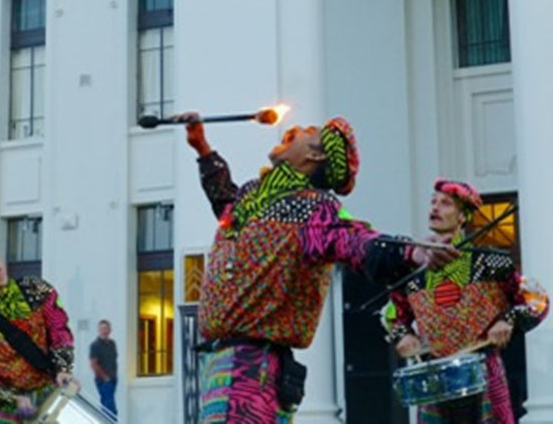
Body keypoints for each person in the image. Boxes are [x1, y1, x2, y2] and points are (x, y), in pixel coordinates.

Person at [179, 111, 457, 423]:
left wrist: (414, 252)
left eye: (308, 131)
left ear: (314, 154)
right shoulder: (253, 198)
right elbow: (227, 204)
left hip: (252, 365)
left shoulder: (313, 210)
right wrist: (203, 149)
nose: (294, 128)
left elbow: (356, 241)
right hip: (224, 361)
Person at [381, 179, 549, 423]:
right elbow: (392, 314)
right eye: (433, 202)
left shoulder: (490, 263)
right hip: (435, 377)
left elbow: (537, 299)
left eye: (446, 203)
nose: (435, 208)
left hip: (485, 374)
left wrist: (508, 319)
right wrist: (403, 335)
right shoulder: (414, 272)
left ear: (462, 217)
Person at [0, 247, 75, 423]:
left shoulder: (37, 290)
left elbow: (58, 328)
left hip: (50, 393)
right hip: (11, 410)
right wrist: (12, 398)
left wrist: (63, 368)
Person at [90, 319, 118, 418]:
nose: (104, 331)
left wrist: (113, 376)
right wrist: (105, 377)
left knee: (105, 405)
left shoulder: (112, 344)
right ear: (99, 330)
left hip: (113, 378)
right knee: (110, 408)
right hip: (103, 380)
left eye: (106, 328)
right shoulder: (95, 345)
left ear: (110, 330)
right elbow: (93, 364)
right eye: (102, 328)